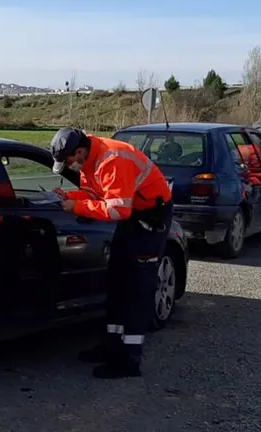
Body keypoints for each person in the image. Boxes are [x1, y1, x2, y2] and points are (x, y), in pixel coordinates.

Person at [49, 127, 173, 379]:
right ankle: (112, 346)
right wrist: (72, 196)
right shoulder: (90, 160)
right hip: (133, 218)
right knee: (117, 282)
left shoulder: (112, 160)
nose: (70, 166)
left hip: (149, 220)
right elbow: (95, 194)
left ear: (79, 151)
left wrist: (77, 206)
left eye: (69, 161)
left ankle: (129, 359)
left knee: (136, 290)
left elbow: (118, 210)